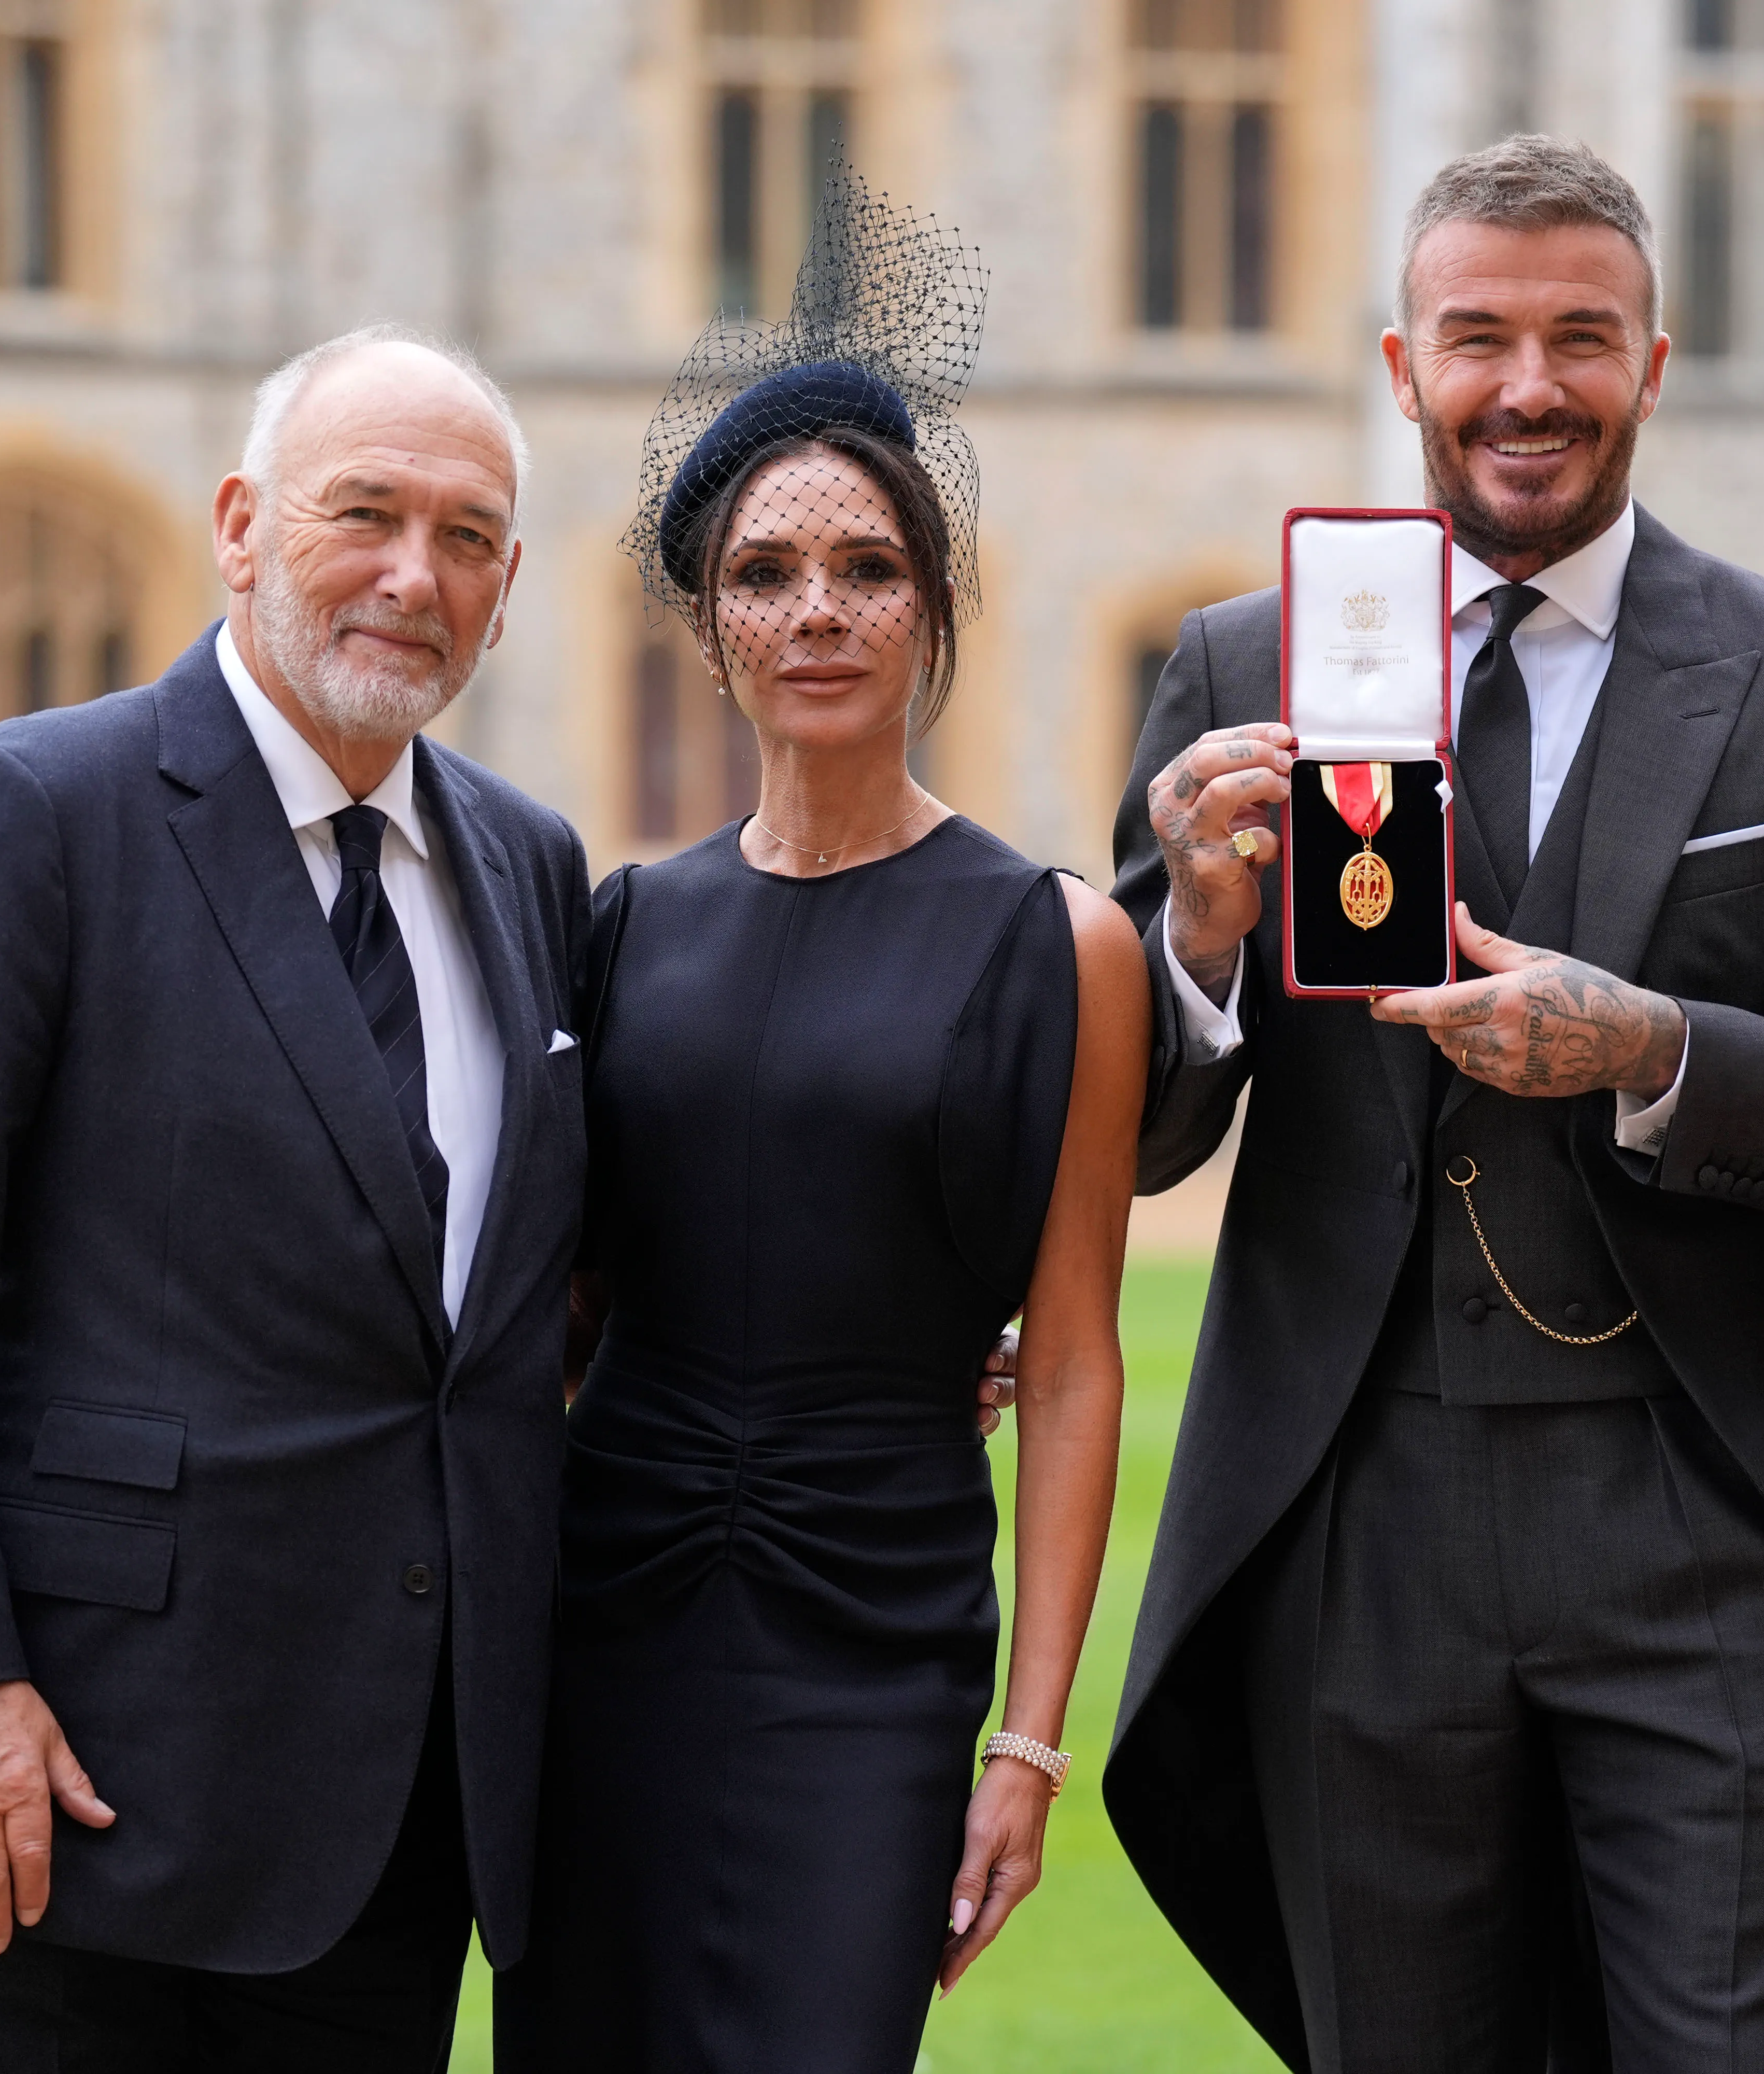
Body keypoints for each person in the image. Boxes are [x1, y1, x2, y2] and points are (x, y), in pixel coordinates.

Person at [1102, 135, 1764, 2072]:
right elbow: (1147, 1135)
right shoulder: (1247, 668)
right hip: (1363, 1515)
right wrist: (1204, 945)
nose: (1530, 388)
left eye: (1584, 337)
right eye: (1478, 337)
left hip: (1703, 1518)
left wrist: (1656, 1047)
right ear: (1401, 367)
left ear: (1654, 366)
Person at [0, 328, 595, 2067]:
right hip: (46, 1811)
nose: (415, 576)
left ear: (507, 589)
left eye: (472, 536)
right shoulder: (22, 814)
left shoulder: (527, 864)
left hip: (392, 1834)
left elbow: (519, 1301)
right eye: (367, 513)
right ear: (240, 525)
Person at [495, 176, 1144, 2073]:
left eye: (868, 566)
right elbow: (567, 1300)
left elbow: (1084, 1361)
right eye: (769, 573)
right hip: (607, 1622)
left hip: (880, 1634)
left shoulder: (1059, 945)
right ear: (709, 623)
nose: (819, 608)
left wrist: (1027, 1740)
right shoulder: (626, 925)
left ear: (934, 608)